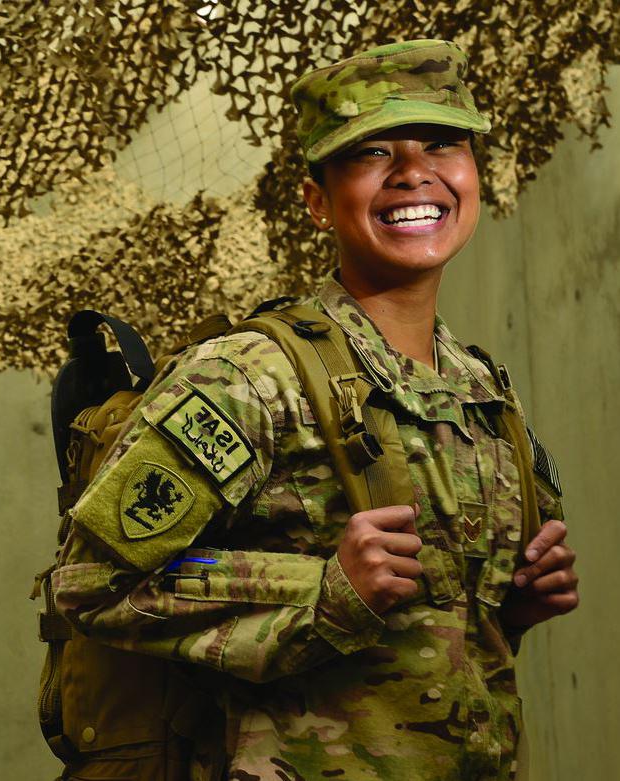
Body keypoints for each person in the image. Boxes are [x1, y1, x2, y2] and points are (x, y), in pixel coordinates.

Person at [52, 39, 579, 781]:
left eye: (440, 144)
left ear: (473, 173)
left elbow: (429, 645)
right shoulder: (250, 375)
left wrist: (508, 604)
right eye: (370, 154)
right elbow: (89, 582)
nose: (413, 173)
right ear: (315, 200)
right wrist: (321, 592)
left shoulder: (481, 389)